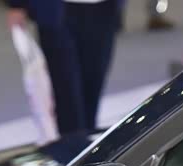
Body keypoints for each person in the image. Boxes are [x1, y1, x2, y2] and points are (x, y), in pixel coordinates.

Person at [7, 0, 122, 137]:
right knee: (66, 92)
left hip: (103, 8)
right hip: (57, 10)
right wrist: (17, 4)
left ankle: (87, 141)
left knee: (93, 86)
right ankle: (73, 143)